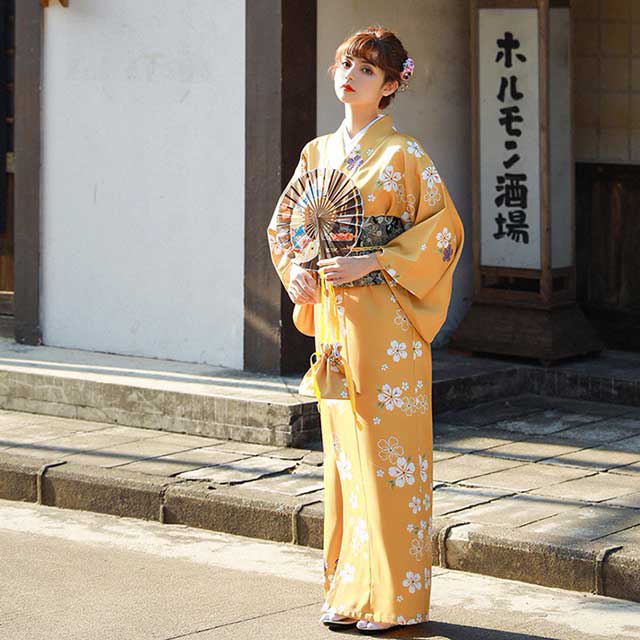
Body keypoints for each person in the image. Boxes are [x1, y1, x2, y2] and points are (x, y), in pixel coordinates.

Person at [267, 25, 464, 634]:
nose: (349, 75)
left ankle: (396, 601)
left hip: (388, 321)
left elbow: (444, 233)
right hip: (334, 321)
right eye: (345, 64)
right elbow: (289, 224)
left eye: (367, 70)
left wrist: (374, 259)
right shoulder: (316, 153)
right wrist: (296, 271)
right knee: (343, 463)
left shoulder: (405, 155)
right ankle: (350, 592)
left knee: (390, 459)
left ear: (388, 89)